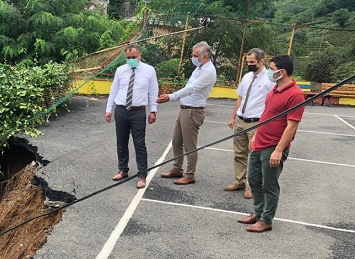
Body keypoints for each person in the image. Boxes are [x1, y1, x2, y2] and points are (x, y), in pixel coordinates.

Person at [237, 54, 305, 233]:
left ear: (282, 72)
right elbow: (266, 115)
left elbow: (291, 126)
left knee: (270, 185)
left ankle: (266, 220)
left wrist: (279, 150)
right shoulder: (274, 90)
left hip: (273, 147)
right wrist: (256, 135)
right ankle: (258, 212)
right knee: (253, 180)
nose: (269, 72)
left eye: (272, 69)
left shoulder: (296, 95)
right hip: (260, 143)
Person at [157, 41, 217, 185]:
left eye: (195, 55)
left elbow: (191, 89)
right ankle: (177, 169)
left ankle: (189, 175)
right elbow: (188, 87)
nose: (193, 58)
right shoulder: (199, 68)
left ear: (206, 56)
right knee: (176, 141)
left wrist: (171, 96)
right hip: (184, 109)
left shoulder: (208, 72)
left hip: (193, 112)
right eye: (193, 54)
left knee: (190, 145)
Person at [106, 44, 159, 189]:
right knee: (121, 142)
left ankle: (142, 175)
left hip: (138, 112)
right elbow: (114, 91)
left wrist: (153, 110)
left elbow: (154, 91)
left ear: (139, 56)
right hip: (121, 110)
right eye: (128, 58)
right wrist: (108, 109)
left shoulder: (149, 70)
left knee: (139, 144)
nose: (131, 60)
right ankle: (123, 169)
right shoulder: (120, 70)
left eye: (133, 57)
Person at [224, 48, 275, 199]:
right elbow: (240, 98)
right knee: (239, 153)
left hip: (256, 122)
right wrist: (233, 117)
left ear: (261, 61)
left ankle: (251, 186)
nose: (249, 65)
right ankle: (239, 181)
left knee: (254, 156)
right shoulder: (246, 76)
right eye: (248, 62)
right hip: (241, 119)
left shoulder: (269, 79)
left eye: (252, 62)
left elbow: (270, 104)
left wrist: (262, 126)